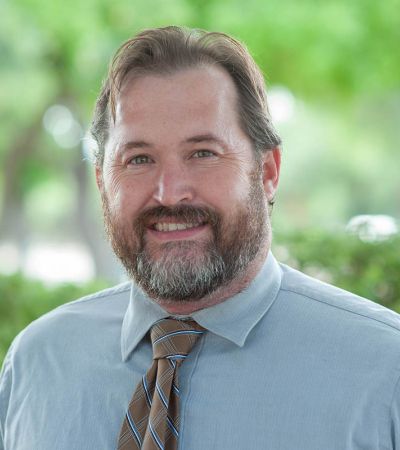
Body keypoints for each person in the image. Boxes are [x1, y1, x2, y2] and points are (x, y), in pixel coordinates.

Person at [1, 26, 400, 450]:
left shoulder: (384, 373)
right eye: (139, 159)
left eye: (203, 153)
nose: (169, 192)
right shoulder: (38, 363)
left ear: (267, 172)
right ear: (102, 183)